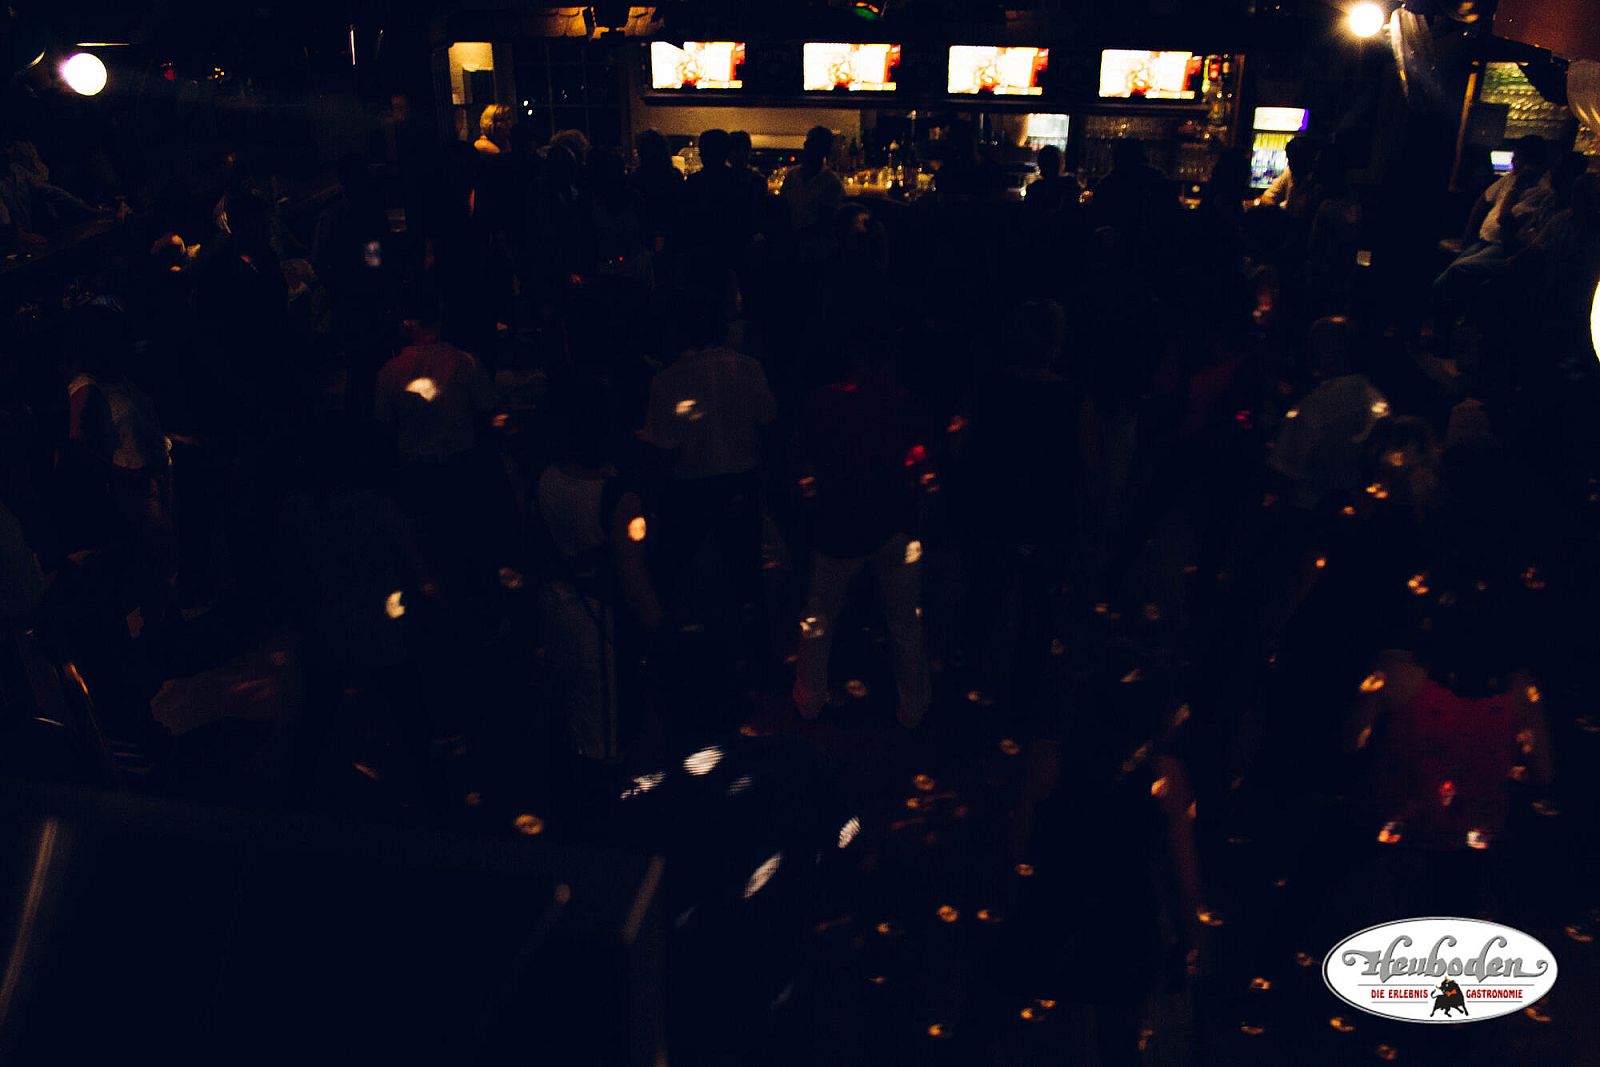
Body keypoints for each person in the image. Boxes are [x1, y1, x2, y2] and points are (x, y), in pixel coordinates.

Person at [791, 319, 930, 728]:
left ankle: (809, 701)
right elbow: (920, 464)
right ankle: (914, 707)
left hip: (838, 525)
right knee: (905, 622)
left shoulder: (822, 402)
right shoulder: (905, 401)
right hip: (895, 523)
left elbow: (802, 459)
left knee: (819, 617)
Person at [640, 272, 776, 645]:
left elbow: (665, 450)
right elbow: (768, 420)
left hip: (692, 490)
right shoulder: (748, 367)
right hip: (742, 483)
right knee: (746, 575)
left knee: (682, 578)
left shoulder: (668, 381)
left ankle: (686, 649)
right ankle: (753, 649)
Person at [533, 379, 661, 762]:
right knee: (604, 730)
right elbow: (633, 580)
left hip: (553, 610)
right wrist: (660, 628)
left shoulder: (546, 477)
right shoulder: (618, 496)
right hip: (598, 621)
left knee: (573, 715)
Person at [1432, 135, 1553, 305]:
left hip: (1502, 246)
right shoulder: (1510, 177)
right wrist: (1467, 236)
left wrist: (1516, 188)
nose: (1512, 162)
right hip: (1483, 240)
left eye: (1516, 157)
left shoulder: (1541, 191)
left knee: (1455, 272)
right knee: (1446, 277)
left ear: (1530, 162)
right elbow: (1483, 199)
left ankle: (1441, 309)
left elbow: (1504, 219)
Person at [780, 126, 844, 265]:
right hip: (793, 248)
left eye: (815, 145)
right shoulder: (792, 176)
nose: (809, 148)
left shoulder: (831, 183)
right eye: (810, 144)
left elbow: (827, 221)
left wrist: (796, 235)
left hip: (819, 252)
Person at [1256, 135, 1317, 217]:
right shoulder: (1289, 172)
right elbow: (1266, 197)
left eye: (1295, 159)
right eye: (1289, 159)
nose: (1290, 163)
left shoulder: (1316, 180)